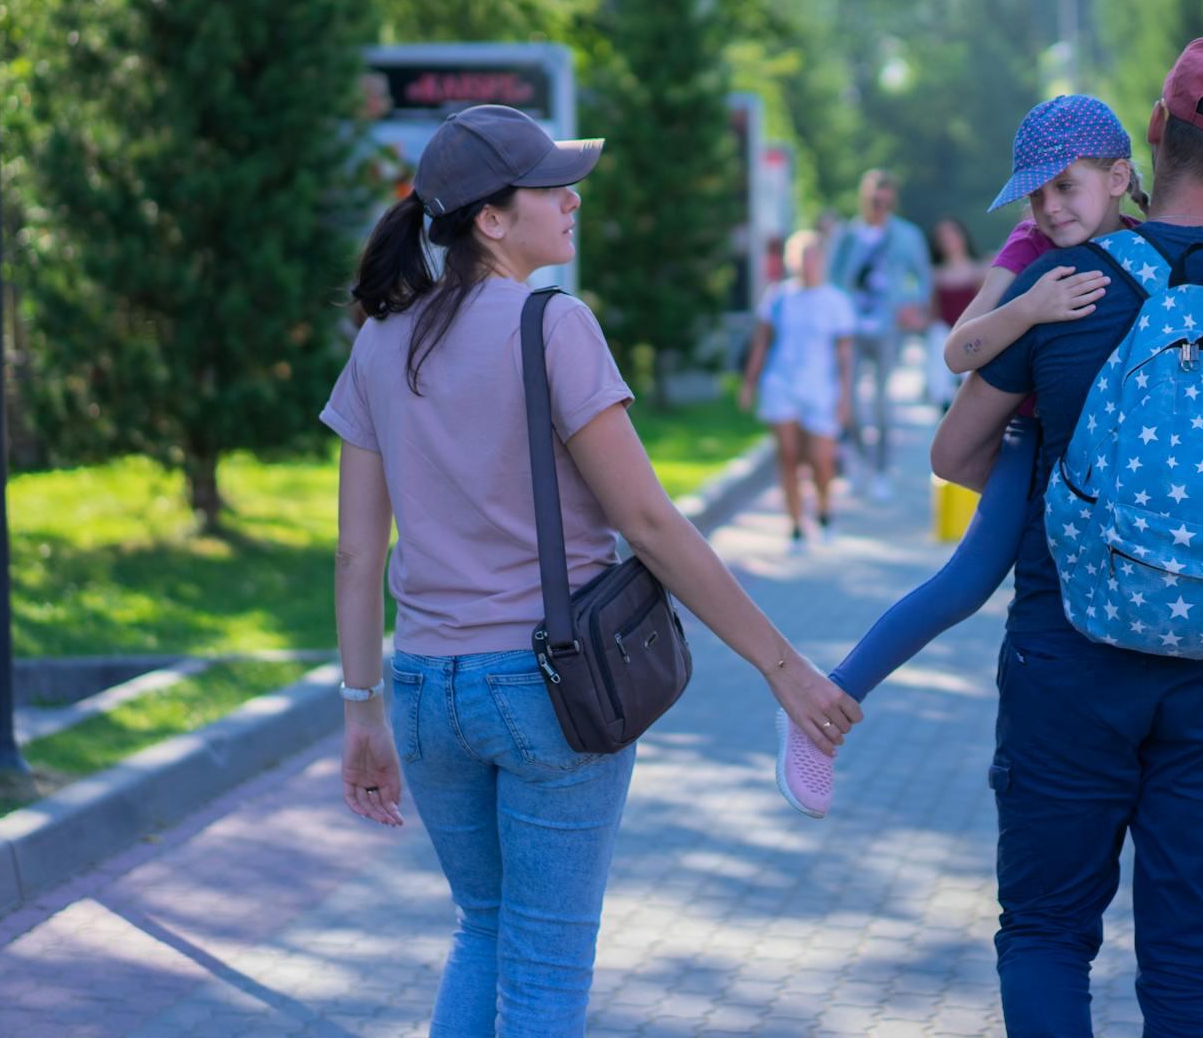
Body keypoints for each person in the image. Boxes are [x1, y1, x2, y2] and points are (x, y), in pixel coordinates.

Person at [323, 105, 860, 1038]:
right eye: (550, 186)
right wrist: (784, 668)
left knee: (482, 931)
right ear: (492, 218)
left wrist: (361, 706)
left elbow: (357, 551)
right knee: (543, 969)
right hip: (547, 691)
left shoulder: (378, 340)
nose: (572, 200)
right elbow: (648, 521)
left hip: (423, 692)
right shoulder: (552, 325)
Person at [771, 93, 1203, 820]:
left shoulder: (1146, 250)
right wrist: (1030, 308)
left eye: (1063, 187)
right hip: (1032, 442)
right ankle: (825, 707)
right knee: (966, 581)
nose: (1048, 208)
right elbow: (958, 351)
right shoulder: (1028, 253)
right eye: (1036, 194)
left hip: (1117, 456)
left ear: (1118, 178)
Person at [930, 38, 1203, 1036]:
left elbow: (955, 451)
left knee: (1045, 934)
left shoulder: (1070, 285)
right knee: (1192, 966)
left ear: (1152, 138)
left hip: (1068, 653)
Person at [738, 230, 857, 554]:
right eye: (803, 257)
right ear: (794, 261)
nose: (808, 264)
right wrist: (749, 383)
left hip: (821, 388)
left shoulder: (836, 301)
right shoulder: (779, 297)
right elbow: (762, 342)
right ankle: (794, 526)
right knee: (787, 456)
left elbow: (845, 357)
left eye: (814, 257)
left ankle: (824, 510)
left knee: (821, 458)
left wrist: (846, 398)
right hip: (781, 384)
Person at [828, 170, 934, 500]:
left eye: (885, 198)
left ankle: (881, 471)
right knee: (852, 403)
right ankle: (861, 461)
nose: (879, 203)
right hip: (852, 329)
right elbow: (832, 279)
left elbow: (922, 279)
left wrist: (912, 306)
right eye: (874, 197)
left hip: (888, 329)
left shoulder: (906, 235)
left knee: (882, 403)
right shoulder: (848, 236)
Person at [925, 217, 987, 409]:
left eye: (952, 234)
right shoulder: (934, 274)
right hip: (943, 335)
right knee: (941, 386)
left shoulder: (979, 270)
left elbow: (986, 307)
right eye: (942, 236)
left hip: (971, 335)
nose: (948, 240)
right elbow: (932, 312)